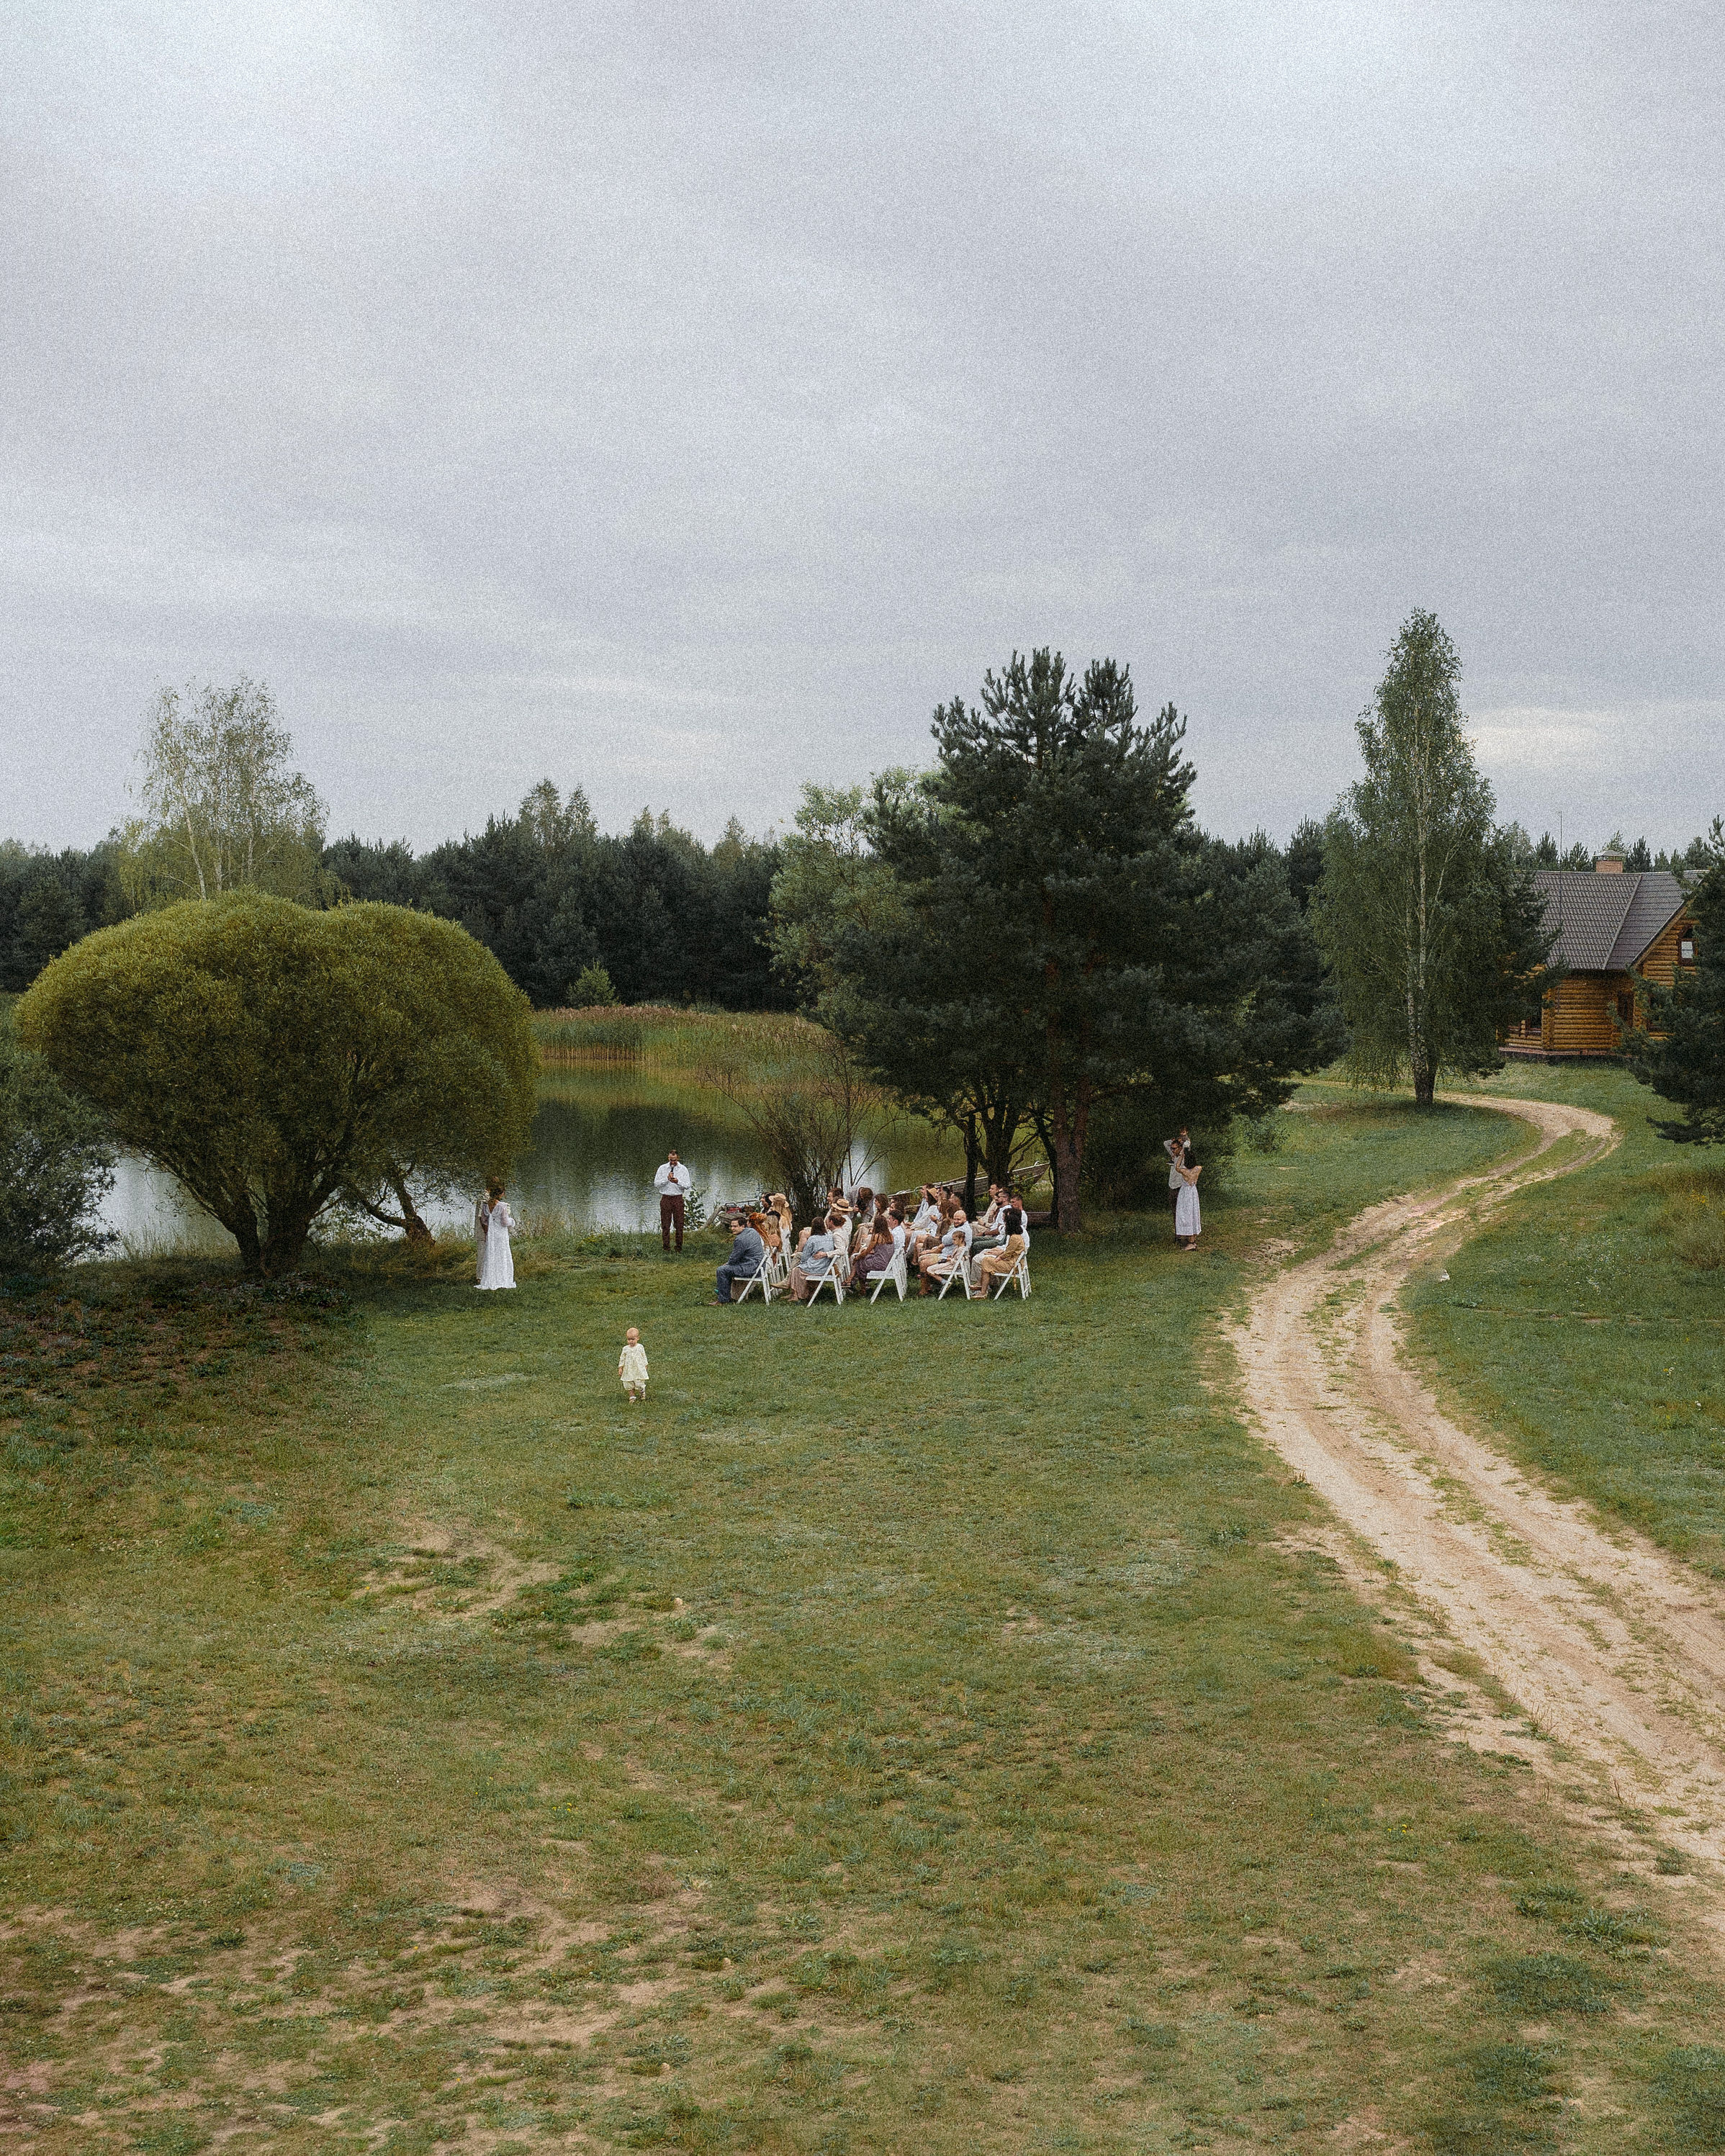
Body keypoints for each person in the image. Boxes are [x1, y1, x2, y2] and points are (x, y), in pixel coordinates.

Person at [976, 1193, 1028, 1291]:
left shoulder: (1015, 1237)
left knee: (985, 1260)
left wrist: (998, 1257)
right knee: (986, 1258)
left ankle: (983, 1289)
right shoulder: (1016, 1235)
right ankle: (982, 1285)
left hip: (1013, 1265)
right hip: (1013, 1261)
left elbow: (1008, 1252)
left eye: (1006, 1222)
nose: (1005, 1225)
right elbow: (1009, 1250)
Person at [918, 1207, 972, 1295]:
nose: (956, 1221)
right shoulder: (960, 1227)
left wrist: (946, 1237)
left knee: (924, 1263)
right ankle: (933, 1284)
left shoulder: (961, 1230)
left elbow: (946, 1240)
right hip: (948, 1254)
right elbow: (946, 1241)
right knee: (922, 1258)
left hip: (952, 1259)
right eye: (955, 1219)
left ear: (965, 1219)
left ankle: (925, 1290)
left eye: (959, 1219)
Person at [715, 1214, 766, 1304]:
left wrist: (727, 1263)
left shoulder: (740, 1239)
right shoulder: (752, 1231)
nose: (732, 1229)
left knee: (721, 1270)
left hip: (751, 1269)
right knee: (727, 1268)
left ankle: (723, 1300)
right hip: (760, 1266)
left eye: (735, 1226)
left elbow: (734, 1259)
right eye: (731, 1226)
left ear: (743, 1226)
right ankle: (729, 1294)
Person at [477, 1181, 515, 1291]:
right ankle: (502, 1279)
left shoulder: (485, 1206)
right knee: (502, 1254)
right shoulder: (502, 1206)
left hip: (491, 1234)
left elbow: (484, 1220)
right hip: (501, 1234)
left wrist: (489, 1228)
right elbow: (504, 1222)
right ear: (501, 1194)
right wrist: (512, 1221)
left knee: (491, 1254)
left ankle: (491, 1278)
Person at [791, 1214, 838, 1301]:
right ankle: (810, 1292)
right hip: (826, 1267)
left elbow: (805, 1257)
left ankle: (797, 1295)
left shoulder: (812, 1239)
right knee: (800, 1268)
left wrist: (803, 1263)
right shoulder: (830, 1237)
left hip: (816, 1268)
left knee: (796, 1270)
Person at [654, 1148, 692, 1251]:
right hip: (666, 1198)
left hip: (678, 1199)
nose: (673, 1162)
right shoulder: (662, 1168)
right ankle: (666, 1247)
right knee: (665, 1224)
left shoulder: (683, 1169)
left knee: (679, 1224)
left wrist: (678, 1182)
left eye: (675, 1160)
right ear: (668, 1158)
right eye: (671, 1160)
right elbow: (656, 1184)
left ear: (678, 1158)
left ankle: (679, 1248)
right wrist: (667, 1179)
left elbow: (688, 1185)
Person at [1165, 1128, 1192, 1239]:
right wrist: (1175, 1140)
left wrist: (1184, 1138)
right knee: (1175, 1211)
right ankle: (1178, 1233)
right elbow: (1166, 1143)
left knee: (1183, 1212)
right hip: (1173, 1186)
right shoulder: (1173, 1155)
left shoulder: (1183, 1155)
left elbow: (1187, 1144)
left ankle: (1186, 1234)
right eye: (1171, 1149)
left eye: (1174, 1148)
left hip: (1181, 1187)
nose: (1172, 1150)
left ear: (1180, 1148)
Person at [1175, 1157, 1202, 1250]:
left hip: (1186, 1193)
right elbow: (1199, 1166)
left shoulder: (1184, 1171)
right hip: (1193, 1192)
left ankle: (1191, 1242)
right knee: (1193, 1213)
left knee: (1187, 1214)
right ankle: (1192, 1239)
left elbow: (1177, 1167)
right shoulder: (1198, 1169)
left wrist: (1181, 1156)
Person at [618, 1327, 649, 1402]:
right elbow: (622, 1358)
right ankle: (632, 1396)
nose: (631, 1341)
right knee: (628, 1383)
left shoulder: (640, 1347)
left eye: (633, 1339)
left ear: (638, 1338)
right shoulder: (625, 1349)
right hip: (628, 1369)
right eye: (629, 1339)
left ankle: (642, 1392)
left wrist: (645, 1364)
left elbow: (643, 1356)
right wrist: (621, 1367)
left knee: (639, 1383)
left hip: (638, 1368)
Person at [473, 1188, 491, 1284]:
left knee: (486, 1253)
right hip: (482, 1231)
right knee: (482, 1254)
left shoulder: (487, 1196)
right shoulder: (483, 1197)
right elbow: (481, 1216)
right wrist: (485, 1231)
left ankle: (486, 1275)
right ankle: (479, 1277)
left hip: (486, 1230)